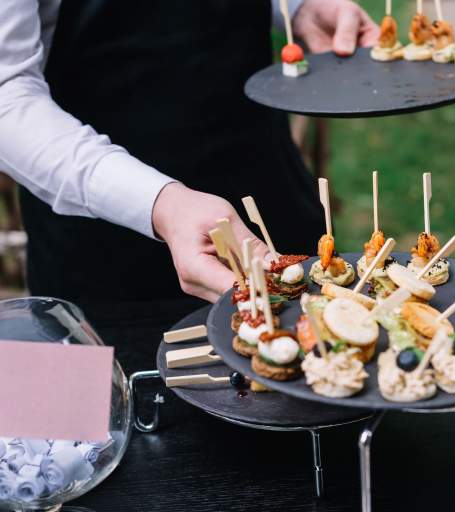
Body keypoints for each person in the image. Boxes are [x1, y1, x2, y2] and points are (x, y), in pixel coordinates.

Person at [0, 0, 378, 369]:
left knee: (325, 388)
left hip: (266, 196)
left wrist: (298, 6)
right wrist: (160, 203)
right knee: (113, 424)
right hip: (101, 253)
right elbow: (7, 96)